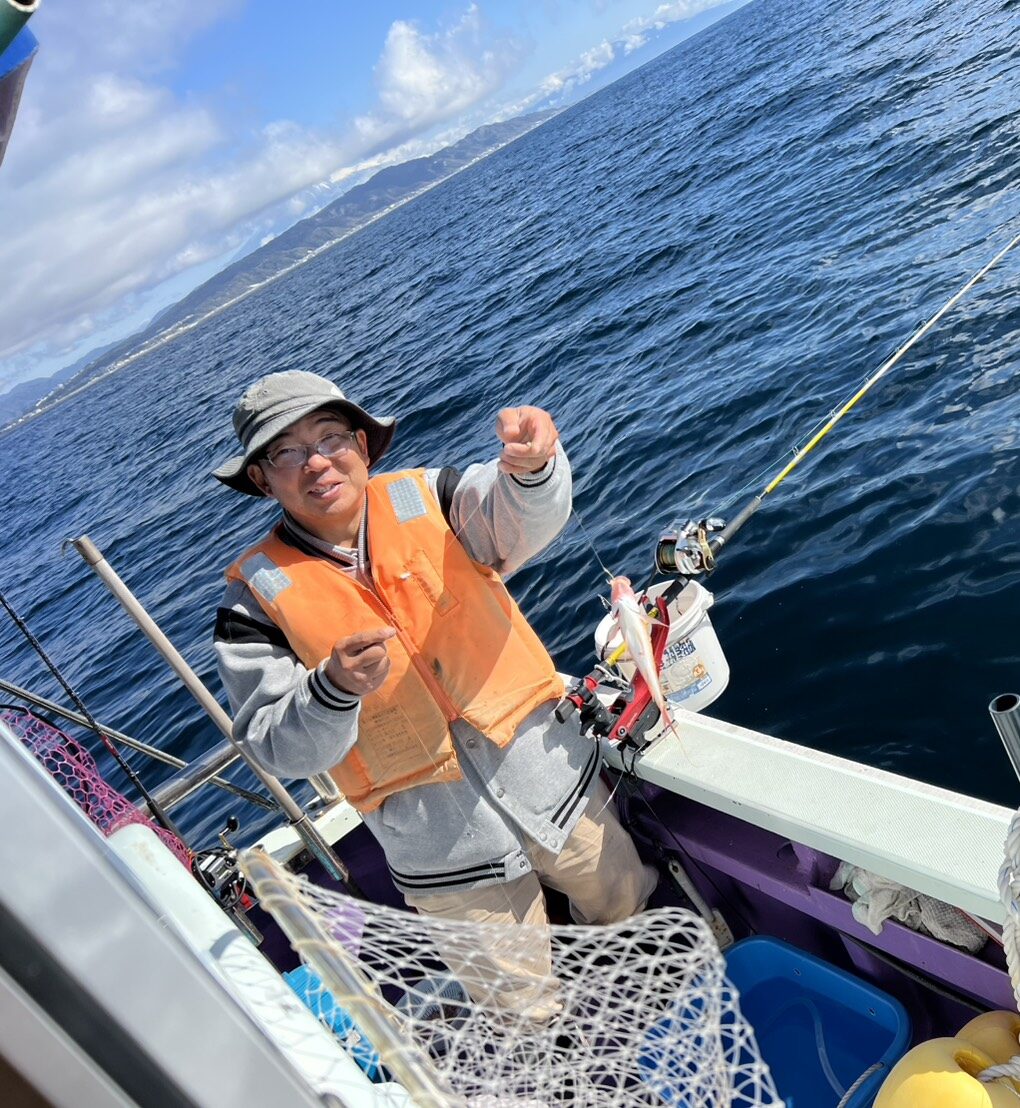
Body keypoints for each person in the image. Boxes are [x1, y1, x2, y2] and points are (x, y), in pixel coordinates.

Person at [213, 369, 657, 1014]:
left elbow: (516, 518)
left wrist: (533, 468)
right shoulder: (251, 603)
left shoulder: (433, 495)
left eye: (331, 437)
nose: (317, 462)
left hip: (558, 788)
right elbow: (274, 747)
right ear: (262, 478)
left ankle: (646, 1006)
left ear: (361, 445)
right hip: (445, 858)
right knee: (519, 1007)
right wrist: (332, 690)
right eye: (288, 453)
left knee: (627, 913)